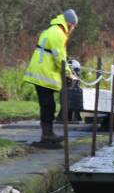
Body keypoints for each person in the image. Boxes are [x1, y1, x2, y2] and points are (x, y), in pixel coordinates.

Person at [22, 9, 78, 147]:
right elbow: (59, 57)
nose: (72, 30)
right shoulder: (58, 34)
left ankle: (48, 134)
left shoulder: (51, 30)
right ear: (69, 24)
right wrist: (68, 73)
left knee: (48, 105)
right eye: (73, 27)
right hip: (44, 74)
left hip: (42, 72)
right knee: (48, 106)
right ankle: (47, 136)